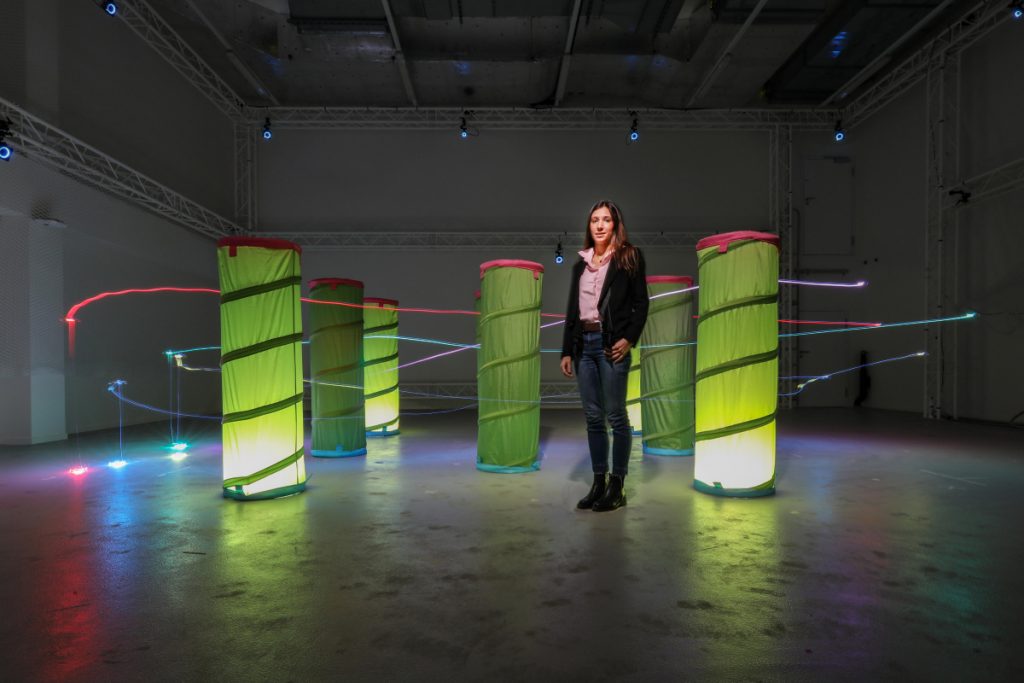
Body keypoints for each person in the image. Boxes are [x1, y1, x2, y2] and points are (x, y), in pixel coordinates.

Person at [560, 200, 648, 512]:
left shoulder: (629, 257)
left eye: (606, 220)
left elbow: (641, 303)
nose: (599, 225)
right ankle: (598, 481)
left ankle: (617, 484)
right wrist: (567, 350)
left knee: (616, 415)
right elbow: (573, 311)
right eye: (594, 220)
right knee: (593, 417)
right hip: (583, 346)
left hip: (611, 344)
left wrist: (629, 338)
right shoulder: (580, 265)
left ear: (615, 225)